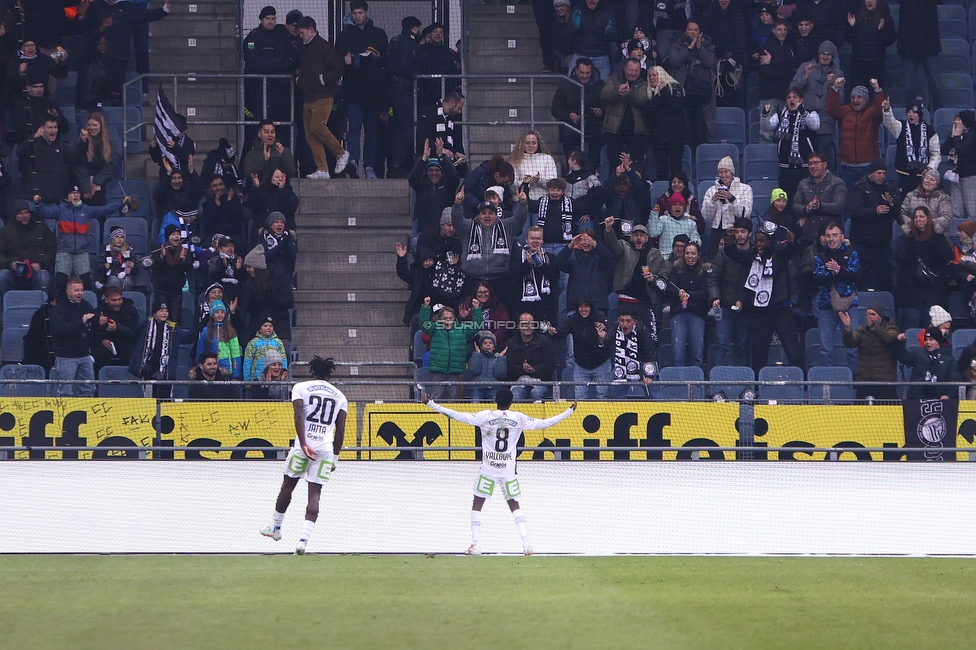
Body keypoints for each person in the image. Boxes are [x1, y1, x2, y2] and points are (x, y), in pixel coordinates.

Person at [422, 387, 578, 555]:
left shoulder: (486, 416)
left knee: (477, 504)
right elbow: (545, 423)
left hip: (488, 469)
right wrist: (568, 411)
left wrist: (432, 404)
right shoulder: (519, 418)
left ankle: (476, 545)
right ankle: (526, 544)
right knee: (514, 504)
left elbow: (457, 415)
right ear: (511, 403)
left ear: (495, 401)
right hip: (508, 470)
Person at [260, 356, 347, 555]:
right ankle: (303, 541)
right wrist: (335, 457)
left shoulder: (301, 388)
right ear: (329, 374)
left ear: (312, 371)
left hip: (303, 446)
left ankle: (275, 527)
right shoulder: (340, 396)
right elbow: (340, 431)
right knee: (315, 493)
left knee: (288, 485)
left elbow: (299, 416)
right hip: (325, 449)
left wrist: (305, 443)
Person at [725, 228, 805, 371]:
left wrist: (792, 242)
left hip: (781, 309)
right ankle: (757, 388)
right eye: (756, 241)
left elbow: (792, 251)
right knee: (759, 352)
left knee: (792, 349)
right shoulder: (751, 254)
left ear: (770, 241)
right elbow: (733, 254)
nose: (759, 244)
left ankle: (804, 386)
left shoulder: (780, 252)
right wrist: (730, 239)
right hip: (761, 311)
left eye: (762, 241)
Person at [36, 185, 129, 293]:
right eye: (72, 193)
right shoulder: (60, 209)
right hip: (64, 251)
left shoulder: (86, 209)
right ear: (67, 196)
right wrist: (39, 204)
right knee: (60, 283)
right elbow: (45, 212)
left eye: (77, 193)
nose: (75, 195)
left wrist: (121, 203)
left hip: (81, 252)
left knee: (87, 283)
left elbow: (104, 209)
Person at [336, 0, 389, 179]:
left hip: (374, 93)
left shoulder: (379, 34)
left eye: (360, 13)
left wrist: (378, 57)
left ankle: (369, 167)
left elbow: (387, 62)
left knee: (372, 131)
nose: (357, 16)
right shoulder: (344, 35)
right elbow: (336, 62)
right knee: (354, 128)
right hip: (352, 92)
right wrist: (345, 62)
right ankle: (352, 162)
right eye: (355, 13)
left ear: (367, 12)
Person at [296, 16, 350, 179]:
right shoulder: (305, 47)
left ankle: (341, 153)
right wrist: (300, 80)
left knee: (317, 127)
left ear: (311, 30)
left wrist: (323, 79)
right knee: (310, 135)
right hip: (308, 96)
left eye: (303, 32)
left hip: (323, 95)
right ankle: (323, 169)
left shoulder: (324, 46)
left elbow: (339, 69)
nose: (301, 35)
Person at [242, 6, 299, 146]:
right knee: (263, 124)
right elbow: (254, 63)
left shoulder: (281, 35)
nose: (271, 22)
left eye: (273, 18)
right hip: (261, 89)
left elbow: (294, 58)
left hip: (282, 90)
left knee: (283, 126)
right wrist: (278, 65)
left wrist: (278, 65)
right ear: (261, 19)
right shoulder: (253, 38)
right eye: (268, 19)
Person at [894, 206, 954, 329]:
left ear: (928, 218)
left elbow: (947, 257)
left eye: (921, 216)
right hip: (911, 290)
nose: (918, 219)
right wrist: (911, 240)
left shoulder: (937, 236)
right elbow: (899, 258)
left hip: (933, 290)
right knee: (911, 321)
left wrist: (938, 235)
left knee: (930, 323)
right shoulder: (906, 237)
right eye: (915, 217)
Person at [812, 222, 860, 366]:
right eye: (828, 236)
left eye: (835, 235)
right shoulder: (820, 257)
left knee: (852, 347)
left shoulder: (852, 253)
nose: (832, 239)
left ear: (842, 237)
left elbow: (856, 277)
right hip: (826, 306)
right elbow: (818, 279)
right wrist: (833, 273)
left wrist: (839, 270)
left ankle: (854, 384)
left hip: (849, 305)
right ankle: (829, 384)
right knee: (826, 349)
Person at [761, 87, 821, 201]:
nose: (791, 100)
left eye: (795, 97)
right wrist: (764, 115)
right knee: (787, 201)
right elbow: (766, 127)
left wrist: (803, 112)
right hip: (785, 169)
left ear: (801, 100)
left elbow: (815, 125)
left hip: (804, 168)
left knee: (805, 199)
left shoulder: (810, 113)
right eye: (789, 97)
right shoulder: (781, 115)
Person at [828, 77, 885, 191]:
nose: (855, 100)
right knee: (847, 199)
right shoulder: (845, 111)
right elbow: (832, 109)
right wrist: (834, 88)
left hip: (868, 165)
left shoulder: (872, 112)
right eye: (853, 97)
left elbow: (880, 111)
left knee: (868, 198)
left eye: (859, 97)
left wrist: (877, 90)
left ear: (866, 99)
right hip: (847, 166)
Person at [710, 218, 754, 367]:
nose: (740, 235)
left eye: (743, 232)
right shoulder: (724, 253)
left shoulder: (755, 254)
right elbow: (713, 277)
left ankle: (743, 383)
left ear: (750, 233)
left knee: (742, 345)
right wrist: (715, 297)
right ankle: (717, 383)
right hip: (725, 306)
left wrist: (743, 301)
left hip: (746, 308)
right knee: (721, 344)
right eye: (737, 231)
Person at [420, 296, 482, 400]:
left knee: (454, 399)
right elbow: (423, 324)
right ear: (439, 319)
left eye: (450, 318)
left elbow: (477, 325)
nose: (447, 320)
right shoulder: (434, 329)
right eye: (444, 318)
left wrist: (476, 309)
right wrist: (426, 307)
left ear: (454, 318)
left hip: (455, 371)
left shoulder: (462, 329)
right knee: (436, 398)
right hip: (438, 371)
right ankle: (436, 416)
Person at [848, 158, 896, 291]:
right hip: (862, 243)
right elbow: (855, 211)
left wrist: (892, 205)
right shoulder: (860, 189)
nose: (881, 176)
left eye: (884, 173)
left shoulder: (888, 190)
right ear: (871, 173)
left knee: (885, 281)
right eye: (879, 173)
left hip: (882, 245)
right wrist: (875, 211)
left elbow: (897, 215)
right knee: (860, 279)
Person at [667, 19, 716, 147]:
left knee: (699, 126)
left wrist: (699, 48)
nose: (692, 32)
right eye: (690, 29)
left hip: (700, 94)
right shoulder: (676, 45)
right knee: (683, 126)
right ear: (685, 31)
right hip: (682, 92)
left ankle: (698, 155)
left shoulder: (708, 45)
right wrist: (689, 48)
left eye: (696, 30)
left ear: (700, 32)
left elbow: (709, 63)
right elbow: (675, 61)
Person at [790, 40, 840, 165]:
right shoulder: (805, 67)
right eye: (823, 53)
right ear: (818, 54)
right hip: (806, 121)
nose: (825, 57)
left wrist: (834, 86)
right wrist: (805, 76)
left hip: (825, 122)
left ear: (832, 57)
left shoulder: (838, 73)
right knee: (806, 157)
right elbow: (793, 90)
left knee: (823, 158)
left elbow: (840, 100)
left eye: (828, 54)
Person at [840, 302, 900, 400]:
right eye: (867, 314)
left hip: (885, 382)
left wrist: (873, 327)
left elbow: (889, 339)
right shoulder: (862, 331)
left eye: (873, 314)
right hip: (865, 382)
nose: (869, 317)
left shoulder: (891, 329)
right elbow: (850, 343)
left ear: (880, 316)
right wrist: (847, 329)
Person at [882, 96, 940, 197]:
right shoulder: (901, 126)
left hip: (922, 177)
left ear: (920, 114)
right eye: (909, 112)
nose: (911, 115)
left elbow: (936, 153)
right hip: (904, 176)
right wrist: (887, 109)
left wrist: (930, 168)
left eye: (914, 112)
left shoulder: (930, 131)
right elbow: (889, 123)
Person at [387, 16, 423, 178]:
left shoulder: (395, 41)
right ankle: (400, 166)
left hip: (396, 90)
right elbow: (406, 65)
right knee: (406, 129)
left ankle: (396, 165)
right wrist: (420, 76)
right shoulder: (408, 42)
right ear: (414, 28)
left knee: (400, 129)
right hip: (404, 90)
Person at [791, 151, 847, 251]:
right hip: (807, 238)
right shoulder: (803, 184)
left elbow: (839, 206)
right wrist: (807, 208)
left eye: (816, 163)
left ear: (825, 164)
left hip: (829, 239)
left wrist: (820, 206)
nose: (813, 166)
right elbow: (795, 207)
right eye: (810, 164)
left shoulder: (837, 183)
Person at [701, 156, 754, 261]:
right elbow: (706, 215)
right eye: (721, 172)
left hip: (735, 231)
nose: (723, 175)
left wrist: (732, 198)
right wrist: (713, 200)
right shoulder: (711, 190)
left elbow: (745, 213)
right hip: (716, 232)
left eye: (726, 171)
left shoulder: (745, 189)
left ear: (732, 172)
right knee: (715, 262)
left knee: (735, 262)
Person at [51, 277, 97, 397]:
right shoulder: (58, 309)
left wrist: (101, 322)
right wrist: (81, 321)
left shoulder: (85, 305)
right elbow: (61, 330)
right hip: (66, 357)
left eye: (81, 290)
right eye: (76, 290)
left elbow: (94, 321)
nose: (80, 293)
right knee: (66, 392)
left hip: (85, 355)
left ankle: (87, 414)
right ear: (68, 292)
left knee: (88, 390)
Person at [600, 59, 648, 172]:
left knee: (635, 166)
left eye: (636, 71)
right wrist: (617, 92)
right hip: (614, 131)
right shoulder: (613, 79)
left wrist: (629, 93)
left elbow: (642, 100)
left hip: (636, 132)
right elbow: (603, 96)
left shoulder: (644, 83)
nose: (633, 73)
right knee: (614, 165)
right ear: (624, 69)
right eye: (631, 70)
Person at [551, 58, 605, 157]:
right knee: (566, 135)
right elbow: (555, 109)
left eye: (588, 73)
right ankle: (571, 165)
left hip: (594, 124)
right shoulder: (565, 85)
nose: (585, 76)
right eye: (582, 72)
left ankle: (593, 167)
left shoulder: (600, 85)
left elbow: (608, 105)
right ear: (576, 70)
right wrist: (569, 115)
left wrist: (601, 110)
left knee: (601, 135)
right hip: (572, 125)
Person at [0, 199, 55, 295]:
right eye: (20, 213)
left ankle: (42, 308)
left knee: (43, 276)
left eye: (26, 212)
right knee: (3, 276)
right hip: (13, 271)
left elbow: (51, 249)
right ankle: (6, 307)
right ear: (15, 215)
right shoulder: (5, 232)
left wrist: (41, 264)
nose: (24, 216)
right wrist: (10, 264)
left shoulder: (41, 229)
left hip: (35, 271)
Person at [643, 66, 686, 182]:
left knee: (676, 167)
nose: (652, 78)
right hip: (658, 137)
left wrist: (664, 91)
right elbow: (648, 112)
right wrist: (657, 94)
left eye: (654, 75)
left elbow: (677, 105)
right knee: (661, 168)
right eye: (650, 76)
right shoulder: (648, 92)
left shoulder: (675, 87)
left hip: (675, 136)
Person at [896, 0, 941, 111]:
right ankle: (910, 119)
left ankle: (938, 115)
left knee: (936, 86)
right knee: (909, 89)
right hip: (908, 49)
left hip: (930, 47)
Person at [17, 115, 71, 206]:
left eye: (55, 127)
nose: (53, 130)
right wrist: (33, 137)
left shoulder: (61, 146)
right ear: (42, 129)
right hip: (35, 199)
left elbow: (74, 159)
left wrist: (83, 143)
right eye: (50, 127)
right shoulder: (33, 144)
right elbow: (19, 152)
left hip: (56, 199)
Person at [895, 327, 960, 400]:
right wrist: (900, 343)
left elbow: (954, 380)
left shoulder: (949, 360)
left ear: (938, 341)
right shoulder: (917, 353)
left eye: (931, 339)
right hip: (917, 400)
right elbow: (903, 358)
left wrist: (948, 395)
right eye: (926, 339)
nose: (928, 342)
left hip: (940, 401)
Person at [410, 139, 460, 233]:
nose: (434, 173)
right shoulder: (421, 185)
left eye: (437, 170)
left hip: (444, 232)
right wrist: (424, 158)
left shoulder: (448, 185)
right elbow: (412, 179)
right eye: (430, 170)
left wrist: (441, 157)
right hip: (424, 230)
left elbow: (455, 178)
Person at [505, 312, 557, 402]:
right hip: (519, 383)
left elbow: (550, 366)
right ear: (518, 326)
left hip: (541, 383)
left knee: (536, 393)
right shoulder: (511, 343)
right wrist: (522, 369)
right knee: (515, 394)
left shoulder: (544, 341)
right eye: (524, 324)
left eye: (531, 323)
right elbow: (509, 367)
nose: (528, 326)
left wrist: (534, 369)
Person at [607, 306, 657, 399]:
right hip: (621, 366)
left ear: (635, 321)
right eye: (622, 321)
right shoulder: (614, 329)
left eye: (628, 321)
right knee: (615, 395)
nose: (625, 324)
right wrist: (601, 339)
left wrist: (649, 375)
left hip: (642, 365)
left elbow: (650, 354)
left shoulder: (642, 330)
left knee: (655, 394)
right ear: (618, 320)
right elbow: (604, 345)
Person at [844, 0, 895, 91]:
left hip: (876, 64)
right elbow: (849, 39)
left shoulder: (884, 14)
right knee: (858, 93)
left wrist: (881, 30)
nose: (869, 1)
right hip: (858, 64)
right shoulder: (857, 13)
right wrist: (851, 26)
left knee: (875, 93)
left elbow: (890, 40)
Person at [71, 111, 118, 205]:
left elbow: (111, 164)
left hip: (102, 179)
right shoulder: (81, 140)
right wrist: (86, 188)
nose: (92, 128)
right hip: (82, 178)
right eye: (89, 125)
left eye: (95, 125)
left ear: (101, 125)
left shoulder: (111, 140)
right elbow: (78, 164)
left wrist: (96, 182)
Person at [242, 120, 298, 189]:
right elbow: (248, 174)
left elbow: (291, 173)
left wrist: (282, 156)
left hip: (281, 192)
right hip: (260, 192)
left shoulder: (284, 151)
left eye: (272, 132)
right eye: (266, 132)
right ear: (259, 134)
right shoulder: (251, 154)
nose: (270, 135)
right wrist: (264, 160)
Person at [509, 131, 558, 208]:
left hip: (543, 203)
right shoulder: (514, 160)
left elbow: (554, 185)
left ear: (538, 144)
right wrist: (525, 183)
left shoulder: (547, 159)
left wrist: (539, 180)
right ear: (522, 144)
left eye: (534, 143)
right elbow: (511, 187)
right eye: (527, 143)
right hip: (521, 202)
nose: (531, 146)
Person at [941, 111, 976, 220]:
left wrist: (956, 137)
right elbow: (943, 150)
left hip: (970, 177)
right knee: (957, 210)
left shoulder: (973, 134)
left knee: (972, 211)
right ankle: (959, 234)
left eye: (959, 120)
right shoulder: (955, 134)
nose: (956, 122)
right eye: (955, 119)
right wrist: (952, 137)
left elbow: (962, 151)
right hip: (956, 175)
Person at [568, 0, 615, 82]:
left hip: (601, 56)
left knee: (605, 89)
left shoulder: (607, 11)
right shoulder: (577, 11)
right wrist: (575, 28)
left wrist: (610, 32)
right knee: (571, 85)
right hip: (580, 54)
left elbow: (614, 38)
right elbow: (568, 38)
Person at [196, 299, 242, 378]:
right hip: (211, 370)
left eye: (222, 312)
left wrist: (236, 375)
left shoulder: (230, 330)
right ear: (212, 314)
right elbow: (200, 351)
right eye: (217, 312)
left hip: (227, 370)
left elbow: (236, 354)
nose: (220, 315)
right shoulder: (205, 331)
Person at [464, 330, 508, 403]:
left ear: (494, 346)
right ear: (481, 346)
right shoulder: (476, 356)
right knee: (475, 400)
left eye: (490, 343)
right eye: (485, 343)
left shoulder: (497, 358)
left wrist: (500, 359)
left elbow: (500, 374)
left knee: (495, 400)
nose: (488, 345)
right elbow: (474, 370)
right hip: (477, 388)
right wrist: (477, 355)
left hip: (493, 388)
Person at [243, 315, 288, 383]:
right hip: (256, 379)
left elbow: (283, 359)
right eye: (265, 326)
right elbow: (247, 362)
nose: (268, 328)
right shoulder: (252, 343)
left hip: (275, 379)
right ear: (259, 329)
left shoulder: (278, 342)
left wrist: (283, 373)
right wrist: (247, 380)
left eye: (270, 326)